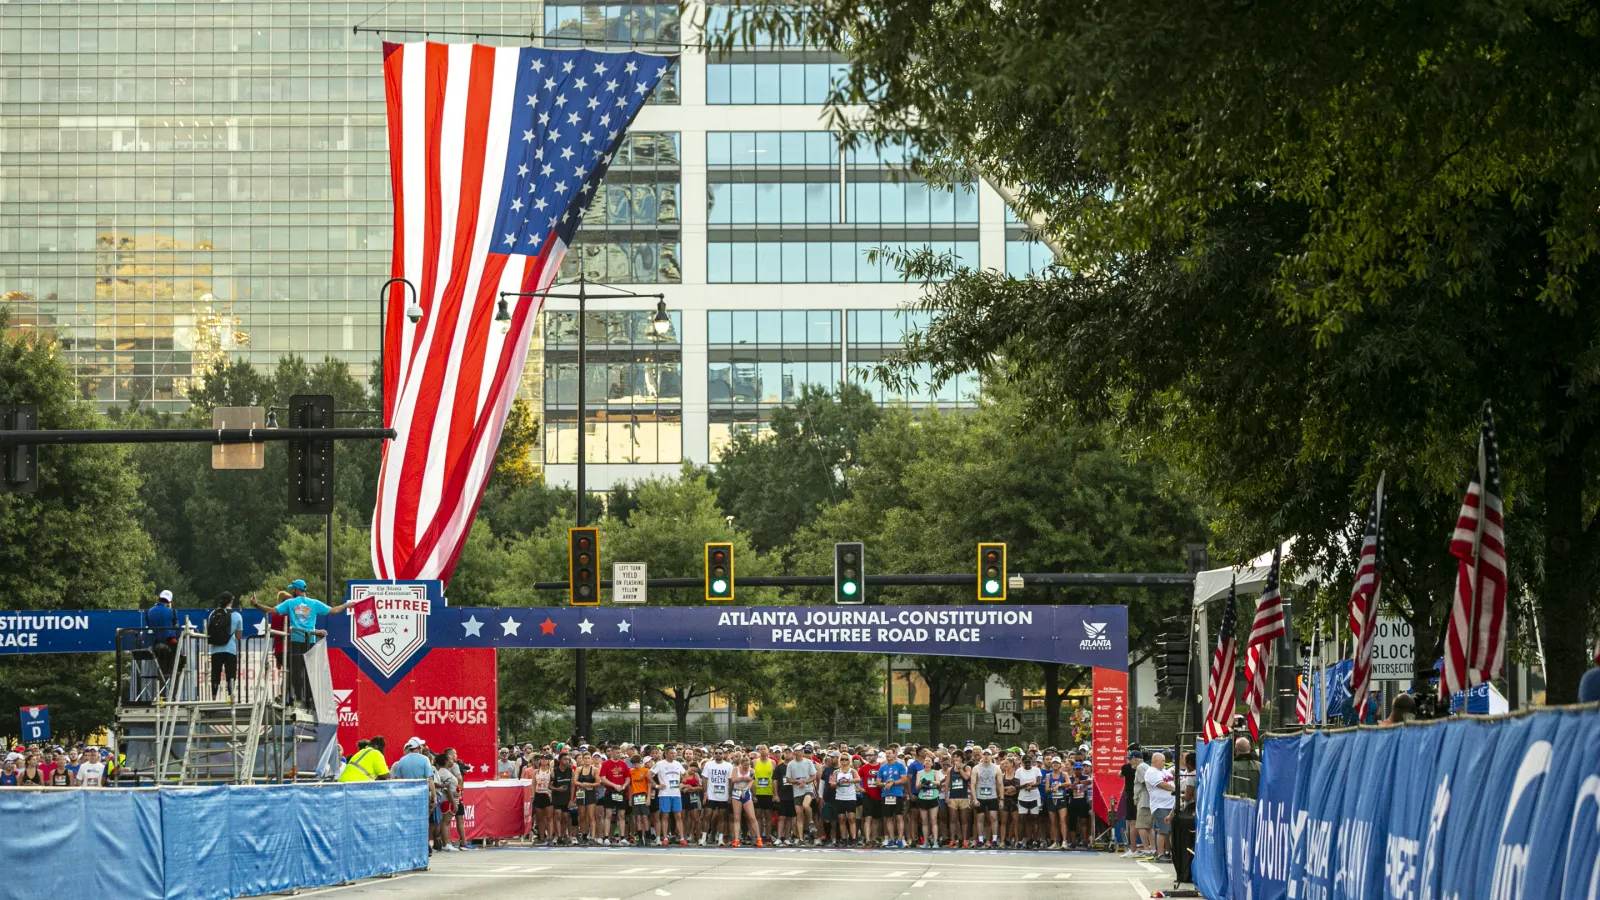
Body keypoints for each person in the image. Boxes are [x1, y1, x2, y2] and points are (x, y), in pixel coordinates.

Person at [253, 579, 349, 704]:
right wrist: (347, 605)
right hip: (311, 641)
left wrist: (256, 604)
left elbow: (271, 610)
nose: (292, 591)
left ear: (297, 590)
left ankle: (298, 698)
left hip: (296, 641)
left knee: (296, 671)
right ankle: (312, 699)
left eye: (293, 589)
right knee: (311, 671)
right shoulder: (314, 603)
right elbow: (334, 611)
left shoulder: (290, 603)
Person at [206, 592, 245, 700]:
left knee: (215, 674)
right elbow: (238, 636)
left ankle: (213, 698)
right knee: (231, 674)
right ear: (231, 602)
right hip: (230, 649)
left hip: (215, 649)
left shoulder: (213, 614)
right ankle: (230, 698)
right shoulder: (237, 616)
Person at [1145, 751, 1176, 863]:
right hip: (1160, 806)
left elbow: (1172, 780)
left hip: (1170, 805)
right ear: (1156, 761)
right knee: (1163, 830)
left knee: (1170, 830)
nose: (1164, 762)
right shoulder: (1151, 772)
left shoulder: (1164, 771)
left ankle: (1168, 852)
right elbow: (1162, 785)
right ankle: (1160, 854)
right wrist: (1176, 790)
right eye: (1162, 761)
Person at [146, 589, 180, 687]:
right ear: (169, 601)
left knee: (161, 670)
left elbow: (150, 627)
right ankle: (173, 695)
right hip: (170, 645)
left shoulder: (149, 612)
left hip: (155, 645)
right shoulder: (172, 612)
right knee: (175, 669)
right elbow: (176, 627)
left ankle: (160, 694)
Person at [654, 747, 687, 846]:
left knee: (678, 816)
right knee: (665, 816)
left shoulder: (678, 764)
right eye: (672, 753)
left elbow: (685, 774)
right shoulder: (660, 764)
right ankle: (665, 838)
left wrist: (682, 783)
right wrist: (656, 785)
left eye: (675, 753)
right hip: (664, 794)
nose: (674, 755)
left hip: (676, 793)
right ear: (666, 754)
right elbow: (648, 775)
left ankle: (682, 838)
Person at [701, 746, 734, 846]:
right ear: (713, 754)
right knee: (707, 816)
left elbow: (731, 781)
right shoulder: (708, 764)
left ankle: (720, 839)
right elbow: (704, 779)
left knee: (722, 817)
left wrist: (729, 795)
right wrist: (705, 793)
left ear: (723, 754)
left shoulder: (728, 765)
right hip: (711, 795)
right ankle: (703, 839)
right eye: (716, 753)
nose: (718, 755)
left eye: (720, 753)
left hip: (723, 796)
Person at [433, 753, 462, 851]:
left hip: (451, 800)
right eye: (450, 759)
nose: (452, 760)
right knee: (445, 822)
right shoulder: (443, 772)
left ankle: (447, 842)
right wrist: (453, 802)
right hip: (447, 800)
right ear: (445, 761)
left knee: (447, 822)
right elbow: (447, 788)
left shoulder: (446, 771)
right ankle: (446, 843)